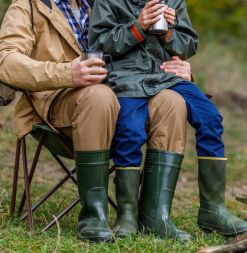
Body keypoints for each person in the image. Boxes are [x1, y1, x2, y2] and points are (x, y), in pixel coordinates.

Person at [0, 0, 191, 243]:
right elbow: (5, 61)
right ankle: (94, 217)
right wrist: (68, 73)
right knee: (99, 96)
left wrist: (178, 70)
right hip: (58, 103)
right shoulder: (27, 6)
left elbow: (145, 46)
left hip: (122, 97)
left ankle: (155, 215)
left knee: (171, 101)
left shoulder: (103, 4)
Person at [88, 0, 247, 241]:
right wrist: (138, 27)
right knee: (130, 131)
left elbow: (189, 45)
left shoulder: (174, 2)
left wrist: (168, 33)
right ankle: (128, 215)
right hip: (125, 79)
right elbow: (99, 43)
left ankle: (212, 209)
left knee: (210, 118)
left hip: (165, 76)